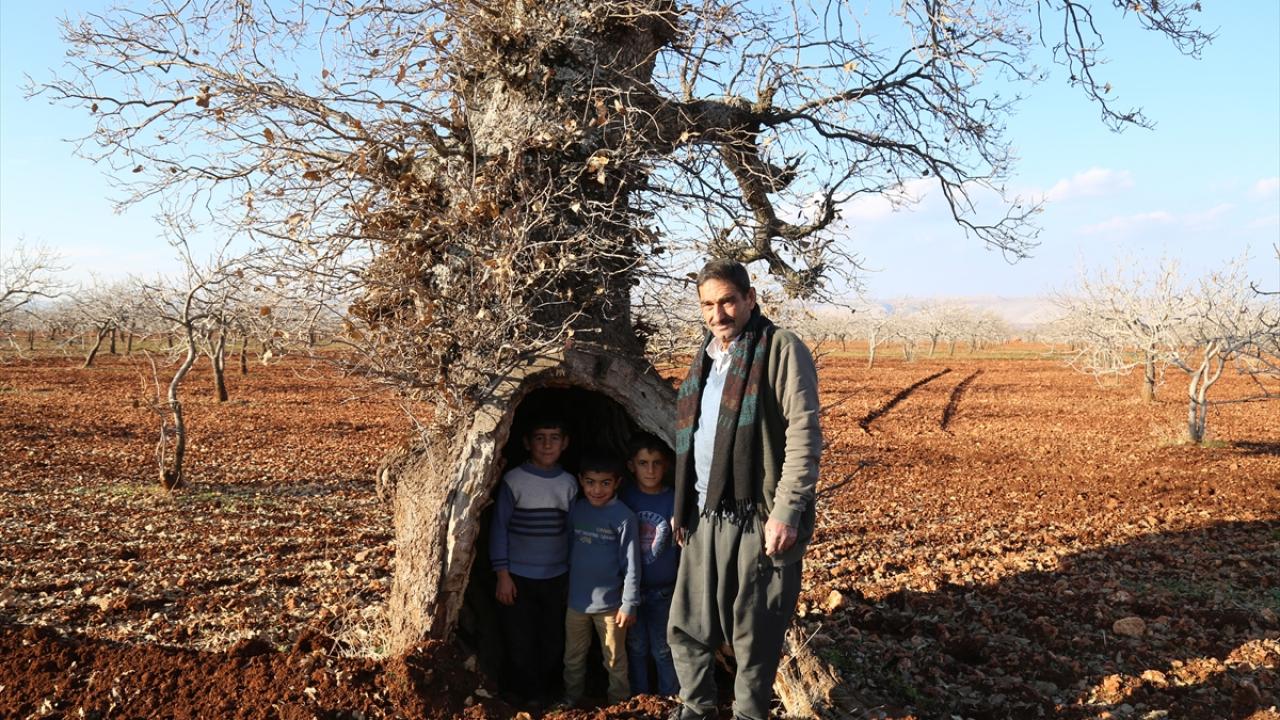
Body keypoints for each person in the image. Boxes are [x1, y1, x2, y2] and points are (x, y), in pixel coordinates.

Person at [667, 259, 823, 720]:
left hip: (757, 515)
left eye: (728, 301)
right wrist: (683, 501)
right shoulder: (706, 355)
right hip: (704, 511)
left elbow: (804, 433)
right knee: (688, 625)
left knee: (754, 632)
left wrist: (787, 510)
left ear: (750, 298)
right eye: (707, 305)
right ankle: (695, 709)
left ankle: (749, 715)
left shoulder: (781, 349)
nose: (718, 314)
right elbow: (694, 435)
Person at [490, 416, 578, 708]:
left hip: (556, 575)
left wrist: (572, 573)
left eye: (554, 437)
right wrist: (503, 574)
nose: (547, 444)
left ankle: (546, 693)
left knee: (552, 638)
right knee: (519, 638)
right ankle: (522, 694)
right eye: (540, 437)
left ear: (565, 443)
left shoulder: (569, 483)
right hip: (518, 577)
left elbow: (573, 531)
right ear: (527, 443)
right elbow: (499, 528)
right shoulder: (514, 480)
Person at [561, 453, 641, 707]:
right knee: (573, 657)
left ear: (617, 483)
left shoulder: (623, 517)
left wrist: (629, 603)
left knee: (615, 659)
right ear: (580, 481)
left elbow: (631, 564)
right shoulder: (577, 510)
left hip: (611, 606)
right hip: (577, 603)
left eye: (605, 483)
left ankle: (619, 704)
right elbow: (568, 549)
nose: (597, 490)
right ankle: (571, 699)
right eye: (590, 482)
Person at [619, 432, 680, 697]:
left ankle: (669, 697)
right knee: (636, 647)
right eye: (643, 463)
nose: (651, 470)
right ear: (631, 466)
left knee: (663, 648)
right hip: (630, 592)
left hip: (663, 589)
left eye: (657, 463)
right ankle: (640, 698)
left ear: (666, 465)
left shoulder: (673, 499)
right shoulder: (624, 497)